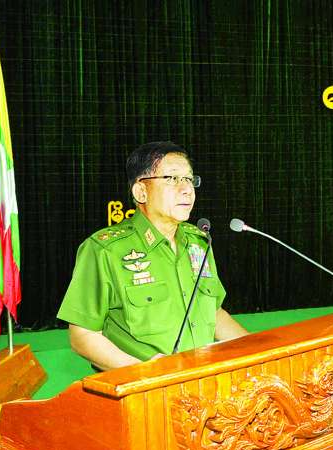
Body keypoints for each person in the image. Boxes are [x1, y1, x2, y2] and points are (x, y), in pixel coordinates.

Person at [58, 141, 249, 370]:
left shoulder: (199, 243)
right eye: (172, 178)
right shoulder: (105, 250)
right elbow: (83, 335)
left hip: (202, 381)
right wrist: (146, 373)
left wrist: (258, 349)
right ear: (141, 191)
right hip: (143, 387)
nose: (187, 189)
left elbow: (214, 314)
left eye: (189, 179)